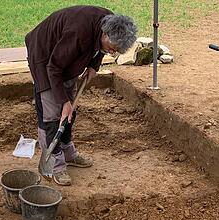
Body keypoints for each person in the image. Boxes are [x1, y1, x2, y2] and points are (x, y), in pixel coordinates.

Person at [25, 6, 137, 186]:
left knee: (70, 113)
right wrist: (63, 102)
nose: (113, 52)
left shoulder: (111, 22)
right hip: (45, 57)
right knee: (52, 116)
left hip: (66, 59)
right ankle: (55, 165)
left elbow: (101, 50)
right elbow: (53, 68)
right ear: (105, 35)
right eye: (112, 48)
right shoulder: (78, 33)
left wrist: (94, 65)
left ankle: (68, 152)